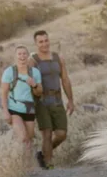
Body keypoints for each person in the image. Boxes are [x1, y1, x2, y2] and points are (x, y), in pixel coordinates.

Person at [30, 29, 75, 169]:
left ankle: (42, 154)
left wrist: (71, 100)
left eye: (46, 40)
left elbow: (65, 79)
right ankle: (49, 165)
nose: (44, 44)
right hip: (41, 101)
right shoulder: (33, 61)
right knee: (47, 133)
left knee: (61, 134)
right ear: (36, 43)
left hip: (57, 100)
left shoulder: (58, 58)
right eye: (41, 42)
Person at [1, 44, 43, 155]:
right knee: (23, 138)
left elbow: (40, 92)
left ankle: (28, 166)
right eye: (19, 54)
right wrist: (5, 111)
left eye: (24, 54)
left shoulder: (35, 72)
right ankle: (15, 159)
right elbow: (4, 93)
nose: (22, 56)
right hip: (14, 109)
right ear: (15, 56)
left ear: (28, 56)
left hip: (29, 109)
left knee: (29, 139)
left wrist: (34, 85)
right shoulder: (9, 72)